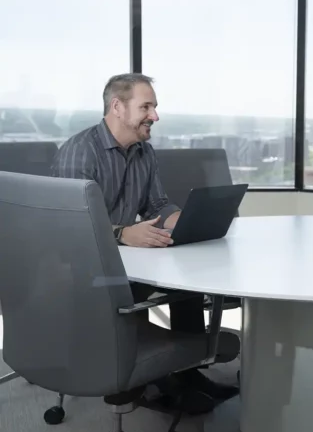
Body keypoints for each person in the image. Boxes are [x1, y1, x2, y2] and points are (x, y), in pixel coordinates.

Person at [51, 73, 238, 402]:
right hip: (81, 269)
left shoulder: (144, 152)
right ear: (117, 107)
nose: (155, 116)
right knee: (164, 282)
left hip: (123, 258)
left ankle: (185, 375)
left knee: (186, 277)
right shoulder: (81, 153)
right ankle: (146, 382)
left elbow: (157, 203)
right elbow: (66, 227)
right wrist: (123, 233)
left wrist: (180, 220)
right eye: (146, 107)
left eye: (155, 107)